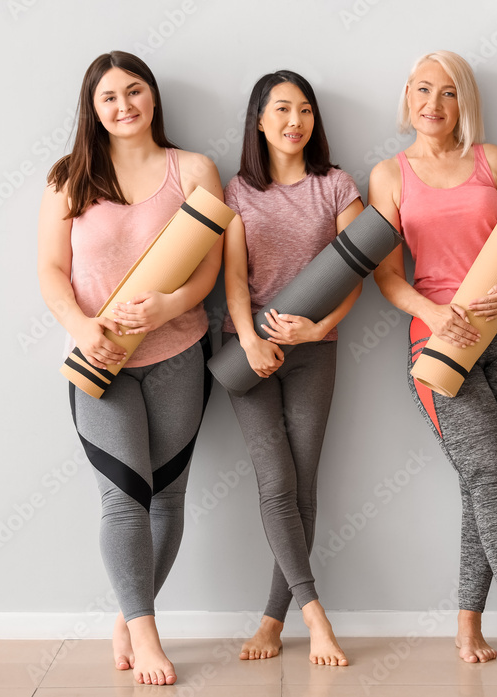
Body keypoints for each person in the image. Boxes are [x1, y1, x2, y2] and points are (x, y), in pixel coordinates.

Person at [36, 51, 223, 686]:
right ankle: (148, 637)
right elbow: (50, 271)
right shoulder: (69, 177)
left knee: (167, 496)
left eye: (135, 91)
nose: (124, 106)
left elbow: (209, 266)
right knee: (124, 499)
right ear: (93, 109)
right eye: (109, 97)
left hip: (178, 353)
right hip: (98, 363)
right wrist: (84, 328)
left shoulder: (193, 169)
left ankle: (129, 617)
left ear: (153, 97)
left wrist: (170, 303)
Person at [369, 50, 497, 682]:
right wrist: (432, 309)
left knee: (487, 481)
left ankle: (468, 622)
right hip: (438, 343)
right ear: (407, 97)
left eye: (448, 93)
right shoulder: (389, 176)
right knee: (492, 472)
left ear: (463, 103)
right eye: (422, 90)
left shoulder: (492, 162)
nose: (433, 104)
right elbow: (387, 276)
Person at [221, 70, 364, 667]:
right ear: (259, 119)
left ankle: (274, 619)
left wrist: (321, 327)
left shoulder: (336, 186)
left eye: (304, 110)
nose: (294, 122)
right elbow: (231, 277)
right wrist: (250, 338)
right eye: (281, 110)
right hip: (247, 352)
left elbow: (357, 271)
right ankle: (316, 616)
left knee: (303, 487)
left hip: (314, 350)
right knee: (275, 482)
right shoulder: (237, 191)